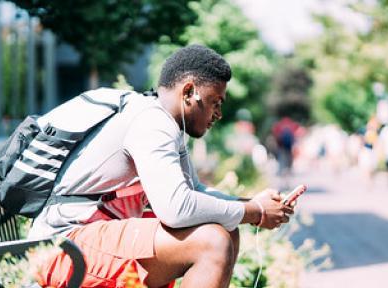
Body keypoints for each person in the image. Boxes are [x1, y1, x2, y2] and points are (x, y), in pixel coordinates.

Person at [29, 44, 296, 288]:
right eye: (215, 101)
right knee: (212, 243)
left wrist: (252, 203)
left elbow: (196, 191)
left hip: (84, 242)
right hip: (61, 250)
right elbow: (176, 209)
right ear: (189, 92)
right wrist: (254, 211)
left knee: (225, 228)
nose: (218, 113)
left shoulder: (161, 121)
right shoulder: (151, 123)